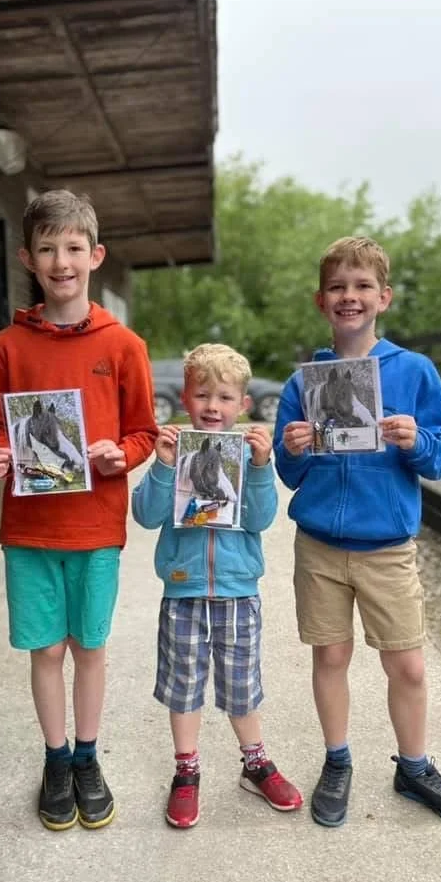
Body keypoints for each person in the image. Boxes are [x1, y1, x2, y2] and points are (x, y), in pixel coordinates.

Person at [274, 236, 441, 829]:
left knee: (409, 667)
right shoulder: (306, 382)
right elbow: (289, 473)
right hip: (319, 547)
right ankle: (337, 760)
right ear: (321, 300)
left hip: (388, 547)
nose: (350, 296)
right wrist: (292, 450)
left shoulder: (414, 372)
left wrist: (415, 440)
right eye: (338, 286)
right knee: (331, 655)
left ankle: (413, 767)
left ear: (383, 297)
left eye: (362, 286)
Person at [0, 189, 158, 831]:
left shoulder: (125, 346)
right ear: (29, 258)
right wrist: (0, 452)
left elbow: (143, 430)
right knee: (45, 651)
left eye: (74, 248)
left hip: (95, 529)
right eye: (49, 249)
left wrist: (121, 456)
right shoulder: (7, 346)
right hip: (28, 530)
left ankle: (88, 756)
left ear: (96, 256)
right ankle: (55, 758)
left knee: (89, 647)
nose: (63, 261)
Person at [132, 343, 303, 828]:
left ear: (243, 405)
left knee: (241, 686)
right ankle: (186, 772)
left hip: (237, 590)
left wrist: (263, 468)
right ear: (185, 398)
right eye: (203, 395)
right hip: (183, 591)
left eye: (225, 397)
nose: (213, 406)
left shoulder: (249, 457)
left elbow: (263, 519)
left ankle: (255, 763)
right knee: (184, 686)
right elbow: (144, 516)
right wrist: (163, 466)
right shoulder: (174, 451)